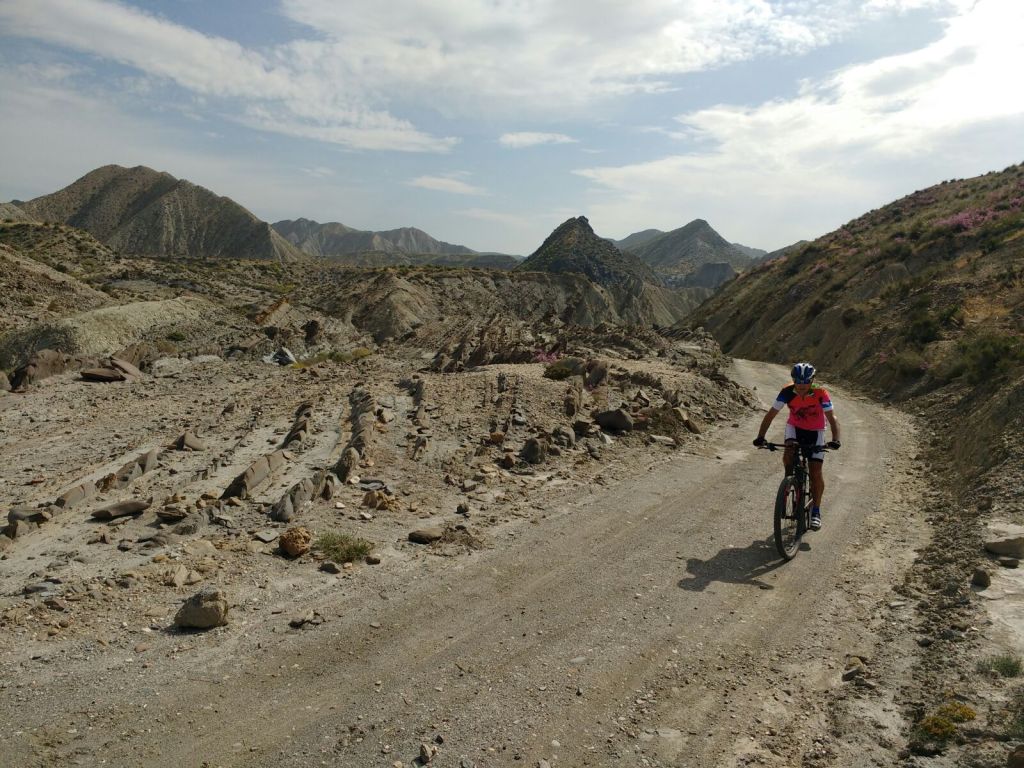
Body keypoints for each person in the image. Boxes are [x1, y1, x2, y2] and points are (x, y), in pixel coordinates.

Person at [753, 362, 841, 530]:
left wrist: (835, 439)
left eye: (805, 381)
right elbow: (771, 414)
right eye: (798, 381)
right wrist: (760, 437)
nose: (801, 385)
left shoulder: (820, 393)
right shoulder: (787, 391)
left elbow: (832, 418)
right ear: (793, 380)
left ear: (812, 380)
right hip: (794, 427)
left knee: (815, 472)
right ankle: (789, 484)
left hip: (816, 431)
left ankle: (816, 511)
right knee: (788, 453)